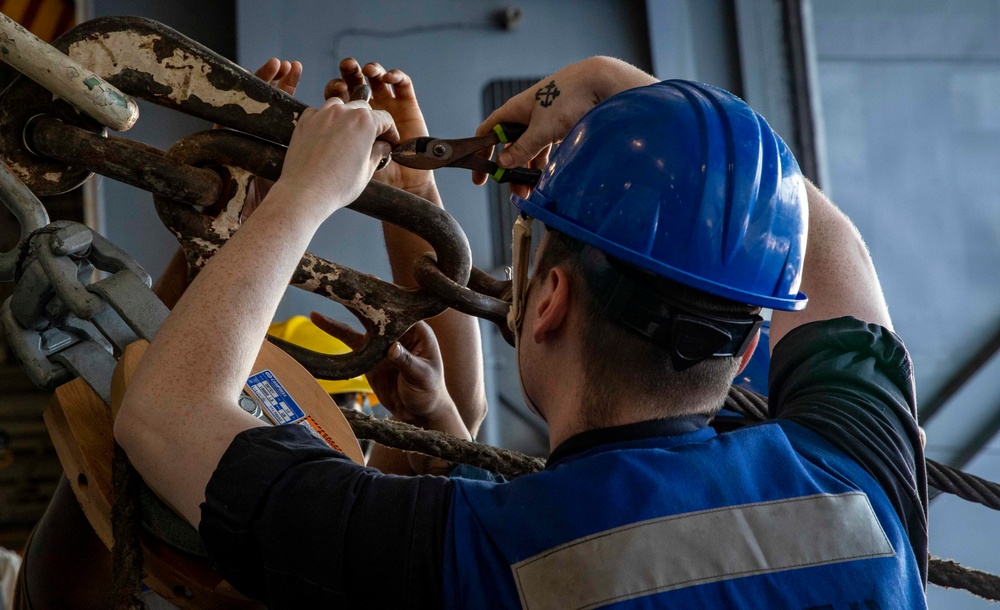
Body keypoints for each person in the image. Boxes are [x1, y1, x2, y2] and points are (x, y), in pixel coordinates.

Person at [115, 56, 927, 608]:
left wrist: (303, 194)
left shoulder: (484, 559)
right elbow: (833, 249)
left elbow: (163, 413)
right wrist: (616, 88)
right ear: (749, 345)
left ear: (548, 303)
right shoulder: (862, 479)